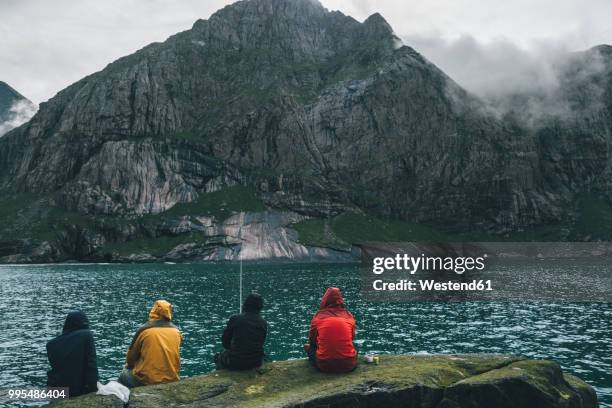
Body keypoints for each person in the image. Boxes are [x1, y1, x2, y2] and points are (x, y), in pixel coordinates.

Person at [119, 300, 182, 388]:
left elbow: (130, 359)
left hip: (148, 381)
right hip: (172, 379)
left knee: (124, 373)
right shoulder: (176, 332)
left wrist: (131, 366)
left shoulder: (144, 330)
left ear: (153, 311)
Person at [304, 287, 357, 373]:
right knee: (354, 346)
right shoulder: (348, 316)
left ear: (324, 300)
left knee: (307, 347)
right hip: (348, 365)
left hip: (324, 366)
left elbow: (312, 341)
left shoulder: (318, 317)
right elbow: (351, 338)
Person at [46, 311, 99, 397]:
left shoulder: (51, 345)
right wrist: (94, 390)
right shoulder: (86, 335)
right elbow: (91, 367)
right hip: (76, 391)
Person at [214, 293, 267, 370]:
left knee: (218, 356)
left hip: (236, 362)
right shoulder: (263, 322)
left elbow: (225, 343)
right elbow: (260, 343)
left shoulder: (235, 318)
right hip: (256, 362)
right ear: (260, 307)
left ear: (246, 304)